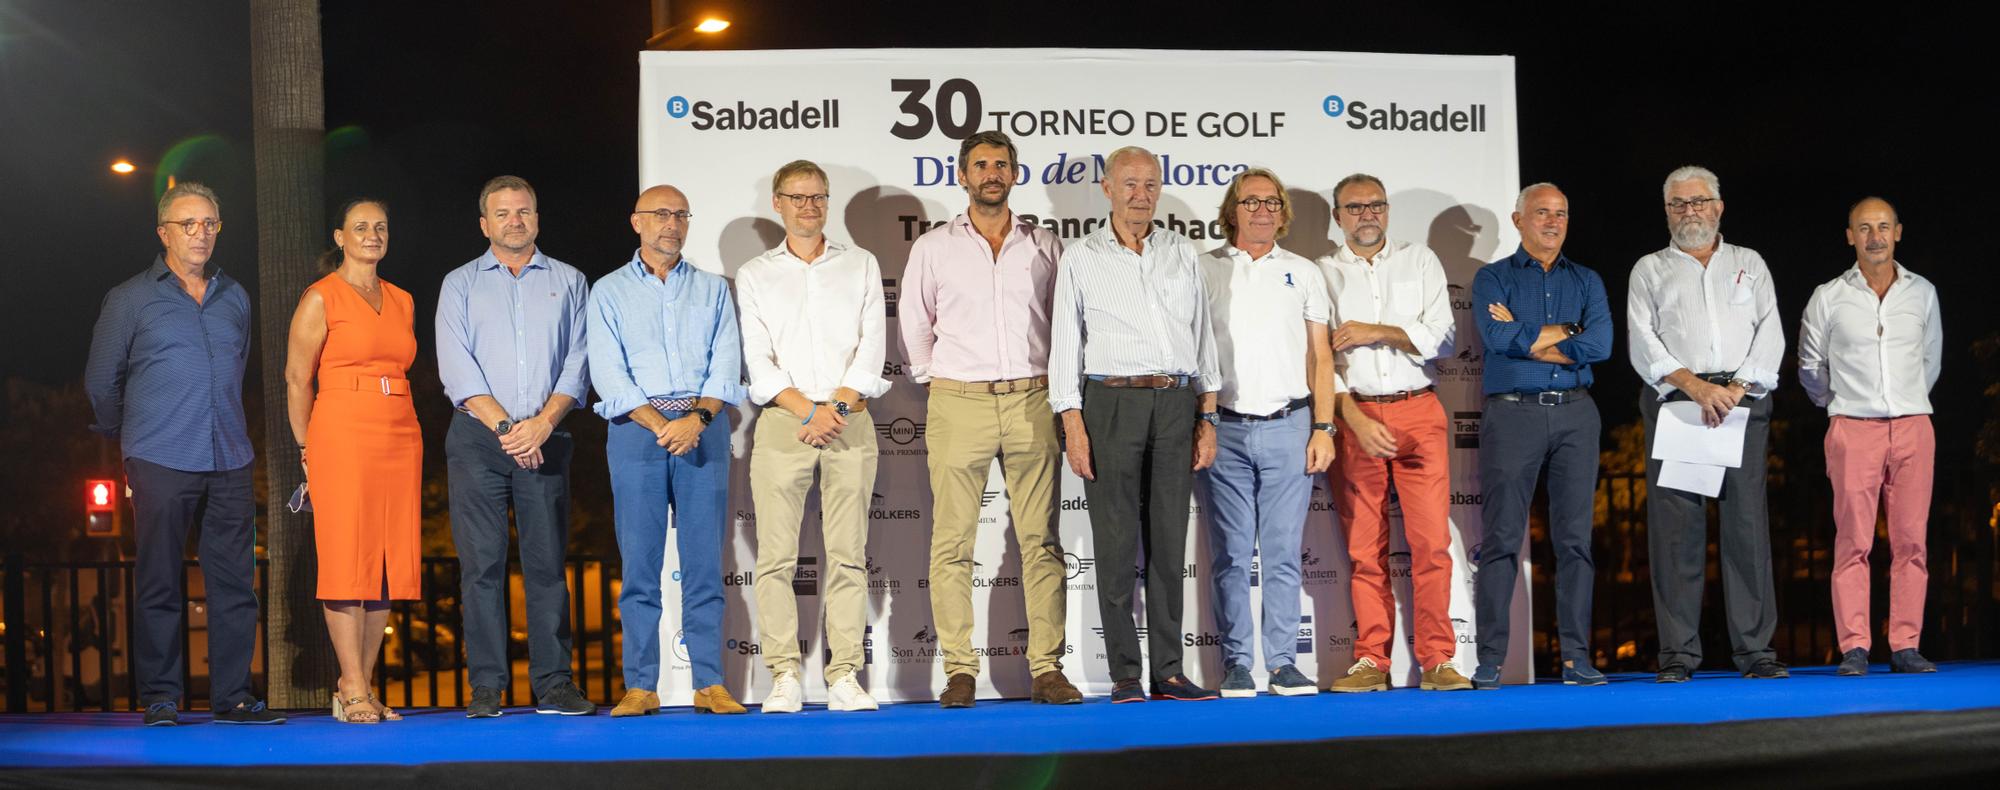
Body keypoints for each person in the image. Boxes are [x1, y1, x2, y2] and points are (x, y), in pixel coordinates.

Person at [85, 182, 282, 725]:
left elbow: (236, 368)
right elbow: (102, 382)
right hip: (160, 458)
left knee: (235, 585)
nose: (201, 234)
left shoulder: (234, 295)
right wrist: (130, 440)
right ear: (164, 233)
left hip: (230, 459)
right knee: (159, 581)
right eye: (189, 224)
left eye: (211, 224)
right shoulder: (129, 299)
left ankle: (235, 696)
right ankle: (162, 697)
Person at [901, 131, 1081, 708]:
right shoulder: (933, 247)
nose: (992, 173)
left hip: (1032, 398)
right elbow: (914, 321)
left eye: (1002, 164)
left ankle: (1047, 668)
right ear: (962, 176)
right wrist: (939, 379)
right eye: (980, 165)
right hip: (960, 401)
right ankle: (959, 669)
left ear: (1015, 174)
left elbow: (1065, 327)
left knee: (1040, 542)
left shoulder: (1045, 244)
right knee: (952, 542)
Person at [1050, 146, 1222, 703]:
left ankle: (1168, 671)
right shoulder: (1080, 256)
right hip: (1110, 403)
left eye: (1150, 184)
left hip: (1175, 402)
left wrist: (1208, 414)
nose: (1140, 195)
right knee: (1117, 542)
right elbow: (1063, 347)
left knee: (1170, 541)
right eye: (1129, 184)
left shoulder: (1181, 251)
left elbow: (1202, 339)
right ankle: (1126, 673)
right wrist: (1073, 426)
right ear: (1106, 188)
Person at [436, 176, 594, 717]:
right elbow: (456, 365)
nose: (514, 221)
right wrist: (508, 429)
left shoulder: (571, 281)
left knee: (547, 564)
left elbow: (580, 359)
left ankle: (554, 684)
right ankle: (486, 685)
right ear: (485, 224)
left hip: (547, 435)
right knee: (481, 565)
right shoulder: (458, 284)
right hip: (480, 439)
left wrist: (543, 424)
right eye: (502, 213)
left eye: (523, 211)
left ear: (537, 218)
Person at [739, 160, 892, 713]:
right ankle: (783, 675)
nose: (809, 206)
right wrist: (808, 411)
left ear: (827, 202)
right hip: (785, 420)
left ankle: (844, 675)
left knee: (848, 555)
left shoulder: (862, 264)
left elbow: (872, 346)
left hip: (850, 416)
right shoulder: (757, 273)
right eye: (797, 197)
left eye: (818, 197)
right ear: (777, 203)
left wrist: (838, 407)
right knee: (777, 559)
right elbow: (758, 359)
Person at [1626, 166, 1788, 682]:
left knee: (1747, 529)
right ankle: (1677, 654)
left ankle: (1756, 652)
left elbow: (1771, 332)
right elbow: (1643, 340)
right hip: (1679, 406)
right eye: (1678, 204)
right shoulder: (1649, 269)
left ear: (1719, 206)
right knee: (1677, 534)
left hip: (1742, 405)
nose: (1689, 211)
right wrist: (1697, 387)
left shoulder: (1750, 263)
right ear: (1666, 210)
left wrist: (1735, 390)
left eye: (1698, 202)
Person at [593, 184, 750, 716]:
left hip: (701, 428)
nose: (672, 224)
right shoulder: (608, 291)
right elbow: (608, 372)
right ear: (635, 222)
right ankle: (641, 685)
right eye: (660, 214)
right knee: (639, 566)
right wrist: (663, 424)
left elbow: (725, 362)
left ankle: (710, 682)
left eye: (681, 214)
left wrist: (697, 419)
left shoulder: (711, 290)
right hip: (638, 432)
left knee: (705, 562)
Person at [1315, 173, 1464, 692]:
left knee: (1431, 545)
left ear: (1387, 211)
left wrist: (1376, 331)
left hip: (1418, 411)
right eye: (1354, 208)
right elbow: (1320, 360)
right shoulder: (1321, 272)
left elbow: (1442, 338)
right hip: (1355, 418)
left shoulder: (1419, 259)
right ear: (1338, 217)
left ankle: (1438, 659)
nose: (1367, 216)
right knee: (1363, 551)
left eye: (1375, 205)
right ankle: (1371, 661)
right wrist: (1350, 418)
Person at [1197, 168, 1336, 697]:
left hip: (1290, 425)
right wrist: (1202, 421)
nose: (1262, 210)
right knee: (1231, 554)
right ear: (1232, 209)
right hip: (1224, 429)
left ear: (1283, 213)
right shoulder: (1203, 268)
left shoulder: (1302, 272)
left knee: (1280, 551)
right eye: (1251, 201)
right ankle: (1237, 663)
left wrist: (1323, 427)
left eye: (1272, 202)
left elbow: (1320, 356)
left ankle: (1281, 663)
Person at [284, 198, 422, 723]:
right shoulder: (322, 297)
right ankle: (355, 687)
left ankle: (357, 685)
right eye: (360, 227)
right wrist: (305, 448)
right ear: (340, 237)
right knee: (347, 558)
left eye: (380, 227)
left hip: (400, 430)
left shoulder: (403, 299)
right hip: (341, 430)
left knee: (385, 562)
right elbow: (299, 378)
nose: (372, 234)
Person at [1470, 183, 1612, 689]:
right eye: (1542, 213)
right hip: (1513, 416)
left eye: (1561, 214)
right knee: (1503, 539)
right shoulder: (1492, 278)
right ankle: (1489, 661)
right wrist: (1565, 334)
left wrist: (1532, 336)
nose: (1553, 222)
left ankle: (1577, 659)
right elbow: (1495, 339)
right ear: (1518, 219)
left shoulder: (1587, 280)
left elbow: (1601, 344)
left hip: (1577, 414)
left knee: (1575, 542)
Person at [1798, 196, 1942, 676]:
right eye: (1864, 228)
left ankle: (1905, 645)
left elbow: (1930, 361)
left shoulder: (1922, 293)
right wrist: (1839, 406)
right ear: (1850, 236)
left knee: (1911, 542)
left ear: (1898, 231)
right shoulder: (1828, 296)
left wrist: (1906, 401)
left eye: (1883, 226)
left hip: (1913, 427)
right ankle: (1855, 647)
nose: (1874, 236)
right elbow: (1810, 366)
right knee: (1852, 541)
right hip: (1852, 428)